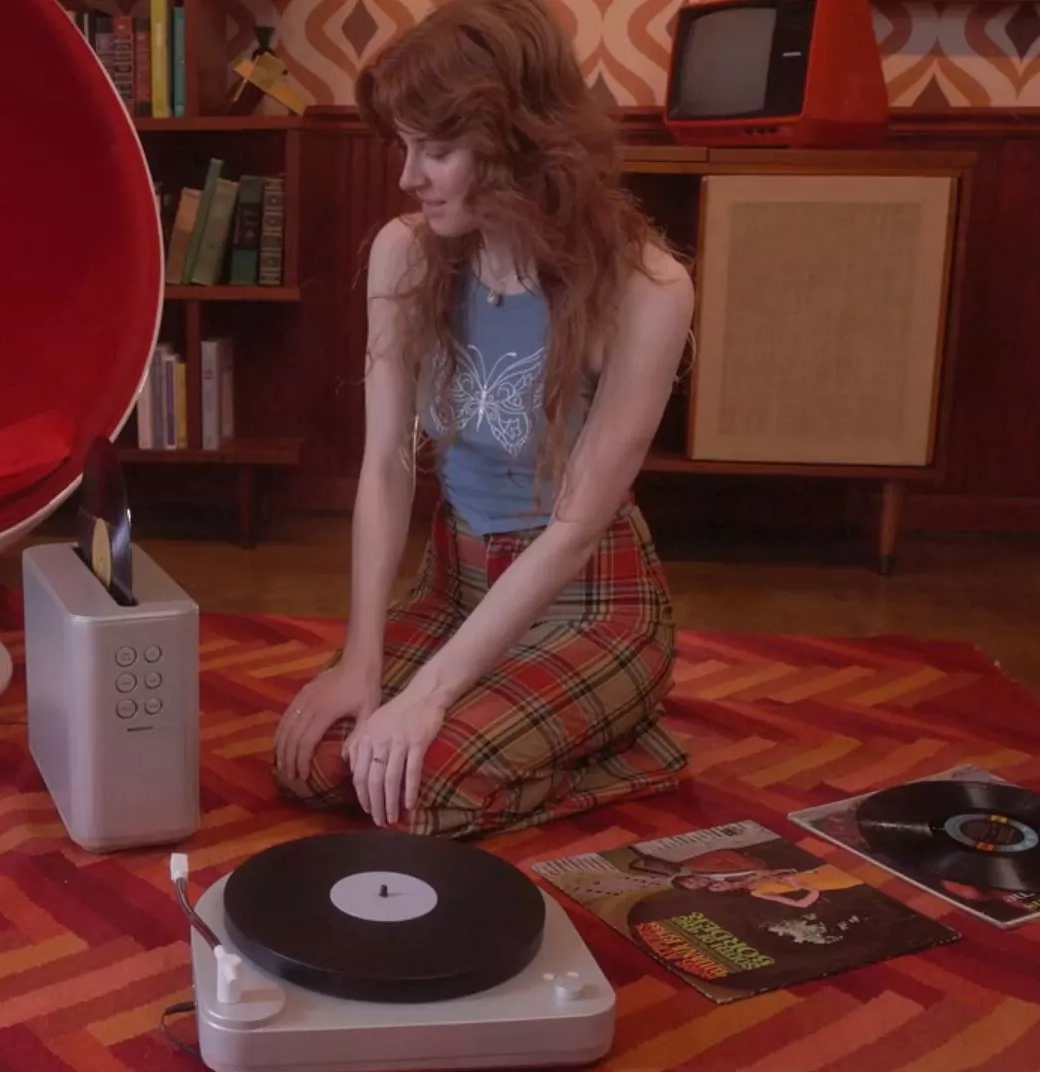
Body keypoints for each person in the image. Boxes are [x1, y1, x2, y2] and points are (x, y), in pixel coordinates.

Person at [271, 0, 695, 839]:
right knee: (328, 763)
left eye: (437, 150)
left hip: (588, 600)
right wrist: (361, 662)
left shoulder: (648, 290)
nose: (406, 177)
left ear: (522, 143)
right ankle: (556, 734)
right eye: (403, 146)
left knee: (421, 796)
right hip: (456, 584)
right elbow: (386, 465)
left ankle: (637, 743)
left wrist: (428, 698)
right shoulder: (406, 251)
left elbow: (575, 529)